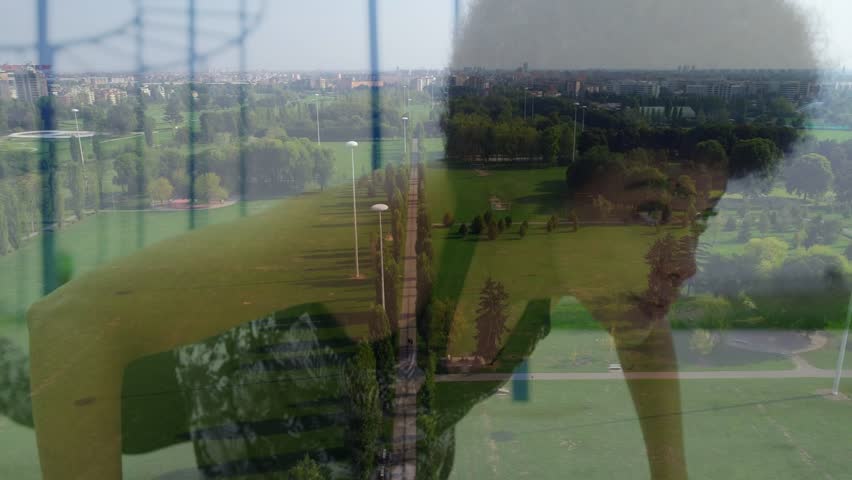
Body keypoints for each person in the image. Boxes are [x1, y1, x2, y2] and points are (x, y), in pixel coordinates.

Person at [22, 1, 826, 479]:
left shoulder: (584, 251)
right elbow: (73, 322)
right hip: (186, 412)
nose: (683, 265)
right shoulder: (389, 225)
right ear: (543, 171)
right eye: (651, 212)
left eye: (700, 217)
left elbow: (644, 333)